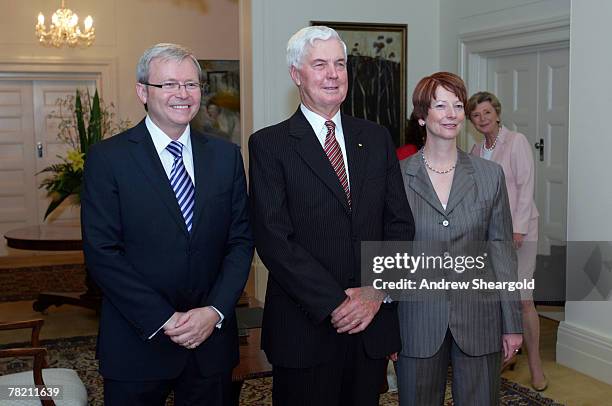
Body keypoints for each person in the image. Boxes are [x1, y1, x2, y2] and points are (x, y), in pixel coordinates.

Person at [248, 26, 415, 406]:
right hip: (304, 327)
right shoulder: (270, 144)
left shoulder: (375, 138)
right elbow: (274, 239)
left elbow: (400, 224)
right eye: (320, 64)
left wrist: (375, 293)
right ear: (296, 75)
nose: (333, 74)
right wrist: (336, 304)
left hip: (369, 325)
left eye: (339, 64)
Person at [81, 43, 254, 406]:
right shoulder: (108, 158)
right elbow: (102, 253)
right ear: (143, 91)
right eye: (169, 85)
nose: (182, 94)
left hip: (211, 344)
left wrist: (215, 311)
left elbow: (240, 241)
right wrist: (165, 319)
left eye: (191, 84)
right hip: (137, 340)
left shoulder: (226, 157)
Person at [396, 72, 523, 405]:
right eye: (441, 105)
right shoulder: (396, 176)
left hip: (479, 318)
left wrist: (512, 322)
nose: (452, 114)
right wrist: (385, 330)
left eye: (457, 105)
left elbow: (502, 253)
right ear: (422, 115)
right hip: (416, 321)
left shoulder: (488, 175)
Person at [467, 90, 546, 391]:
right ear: (471, 121)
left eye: (487, 112)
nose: (482, 118)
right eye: (476, 115)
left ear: (497, 113)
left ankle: (536, 367)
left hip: (520, 232)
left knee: (523, 299)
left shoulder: (517, 142)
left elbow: (526, 187)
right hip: (491, 236)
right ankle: (502, 358)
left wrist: (519, 230)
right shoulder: (475, 151)